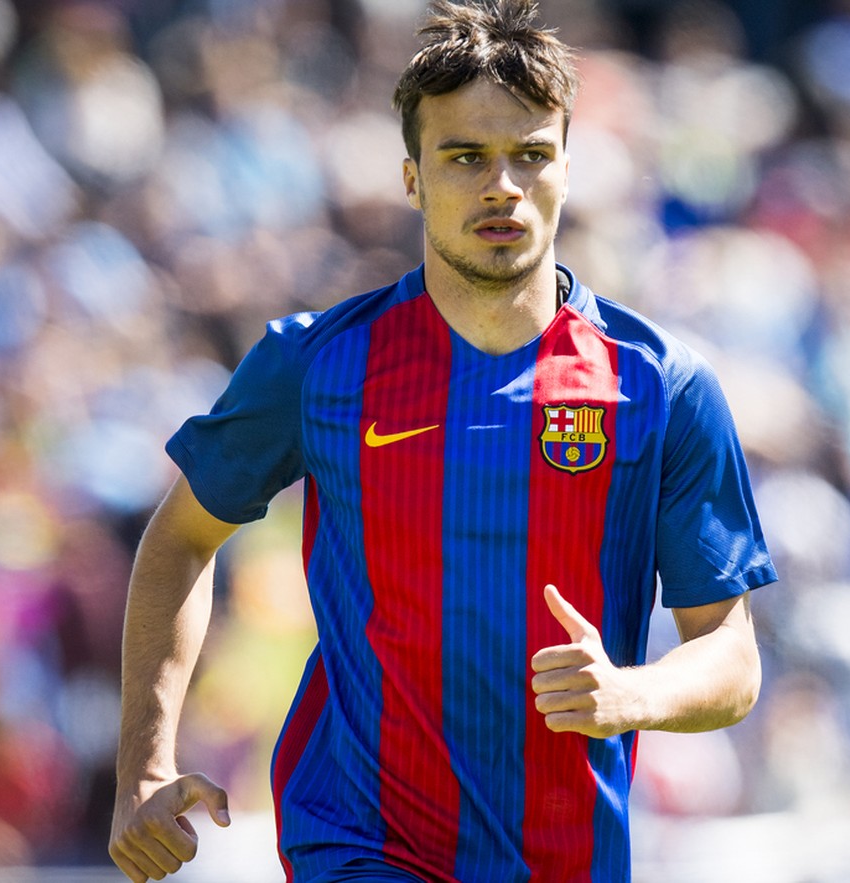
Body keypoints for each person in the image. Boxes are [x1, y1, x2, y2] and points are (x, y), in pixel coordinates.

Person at [107, 1, 776, 880]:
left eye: (530, 155)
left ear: (568, 170)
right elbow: (182, 538)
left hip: (568, 855)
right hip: (360, 839)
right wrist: (144, 764)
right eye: (466, 157)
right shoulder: (317, 365)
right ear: (414, 177)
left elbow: (731, 657)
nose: (502, 184)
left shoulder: (660, 386)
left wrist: (630, 693)